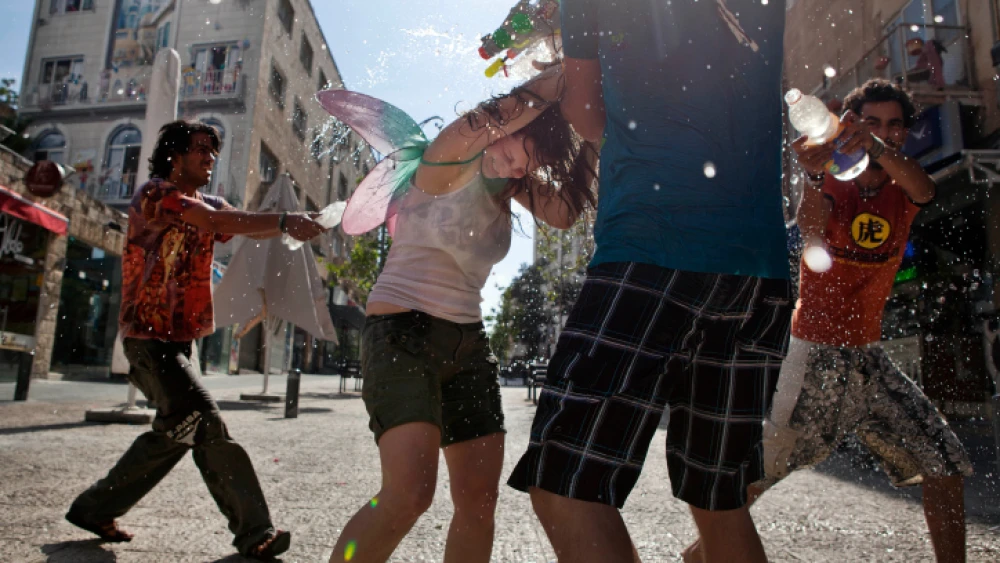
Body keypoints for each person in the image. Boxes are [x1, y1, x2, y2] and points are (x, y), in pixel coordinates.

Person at [506, 1, 794, 562]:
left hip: (652, 248)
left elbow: (590, 120)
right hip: (758, 264)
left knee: (565, 485)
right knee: (720, 500)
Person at [684, 78, 973, 563]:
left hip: (869, 356)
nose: (884, 132)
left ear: (902, 134)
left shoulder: (901, 183)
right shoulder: (831, 175)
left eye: (894, 125)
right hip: (813, 354)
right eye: (871, 122)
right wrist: (815, 178)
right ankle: (698, 556)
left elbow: (925, 188)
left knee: (944, 464)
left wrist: (877, 149)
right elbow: (812, 233)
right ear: (850, 124)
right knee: (754, 480)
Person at [329, 64, 597, 563]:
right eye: (520, 153)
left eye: (530, 166)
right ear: (508, 128)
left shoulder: (512, 186)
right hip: (401, 332)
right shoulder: (446, 159)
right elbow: (495, 117)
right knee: (407, 496)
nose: (519, 170)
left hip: (469, 344)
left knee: (478, 503)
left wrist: (591, 133)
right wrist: (571, 70)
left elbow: (565, 213)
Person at [66, 120, 327, 561]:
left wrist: (299, 224)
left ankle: (94, 509)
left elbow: (235, 224)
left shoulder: (206, 200)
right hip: (147, 340)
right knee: (204, 421)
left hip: (179, 342)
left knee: (174, 432)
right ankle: (254, 532)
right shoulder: (155, 194)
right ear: (174, 155)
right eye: (201, 148)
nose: (210, 157)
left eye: (213, 150)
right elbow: (216, 221)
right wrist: (284, 220)